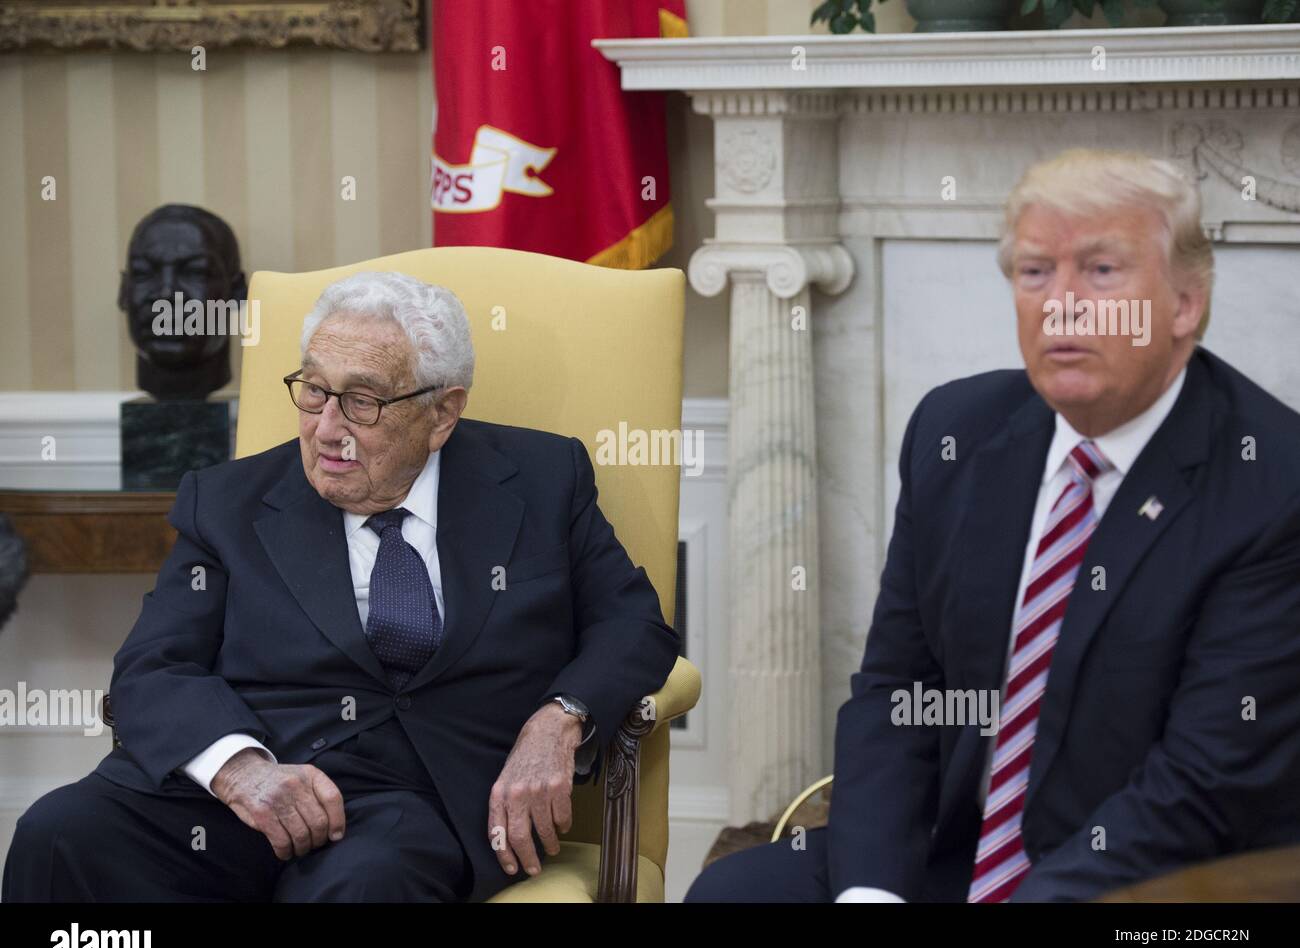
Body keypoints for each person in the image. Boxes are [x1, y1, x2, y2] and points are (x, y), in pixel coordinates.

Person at [687, 148, 1300, 903]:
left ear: (1184, 303)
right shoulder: (958, 433)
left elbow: (1204, 786)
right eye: (1037, 272)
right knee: (737, 893)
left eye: (1103, 271)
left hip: (1167, 885)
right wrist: (871, 893)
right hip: (962, 849)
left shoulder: (1272, 482)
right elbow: (897, 688)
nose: (1063, 303)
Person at [4, 270, 679, 902]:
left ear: (442, 412)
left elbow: (633, 623)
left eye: (361, 401)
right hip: (244, 785)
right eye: (314, 391)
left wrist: (560, 717)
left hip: (413, 800)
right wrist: (244, 770)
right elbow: (152, 667)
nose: (328, 429)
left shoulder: (539, 479)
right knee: (58, 832)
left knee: (363, 884)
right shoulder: (230, 501)